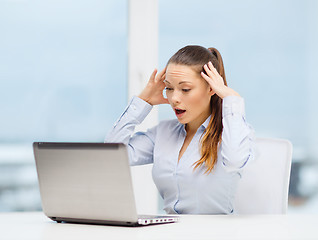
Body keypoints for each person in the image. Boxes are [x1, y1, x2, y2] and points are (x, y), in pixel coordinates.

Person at [105, 45, 254, 214]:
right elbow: (112, 155)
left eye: (185, 89)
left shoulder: (232, 134)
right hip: (169, 232)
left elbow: (235, 161)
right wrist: (143, 101)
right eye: (169, 88)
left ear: (211, 88)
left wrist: (231, 99)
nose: (174, 98)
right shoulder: (163, 132)